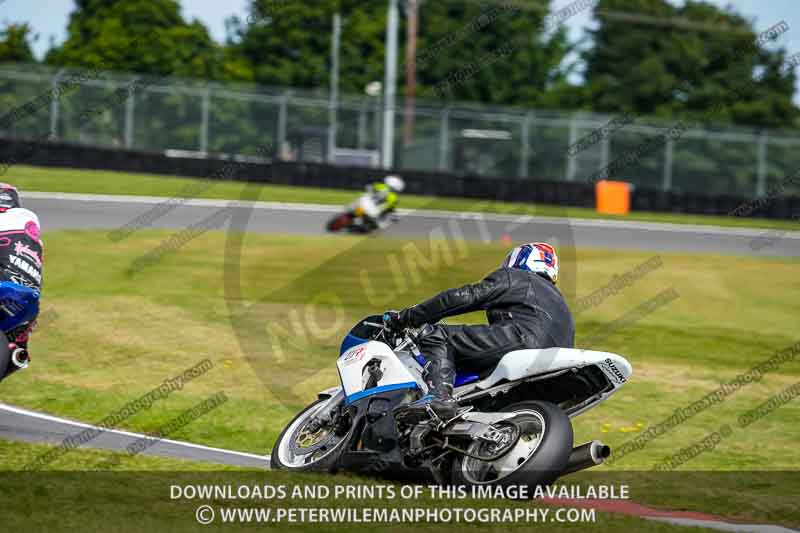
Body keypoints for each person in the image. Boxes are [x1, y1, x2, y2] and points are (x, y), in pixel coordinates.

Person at [384, 242, 574, 421]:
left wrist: (406, 318)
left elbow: (462, 297)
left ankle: (439, 397)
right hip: (552, 368)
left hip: (521, 342)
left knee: (437, 335)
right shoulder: (561, 304)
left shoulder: (516, 277)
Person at [0, 183, 42, 381]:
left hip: (17, 299)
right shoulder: (30, 229)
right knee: (19, 349)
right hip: (25, 302)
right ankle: (19, 347)